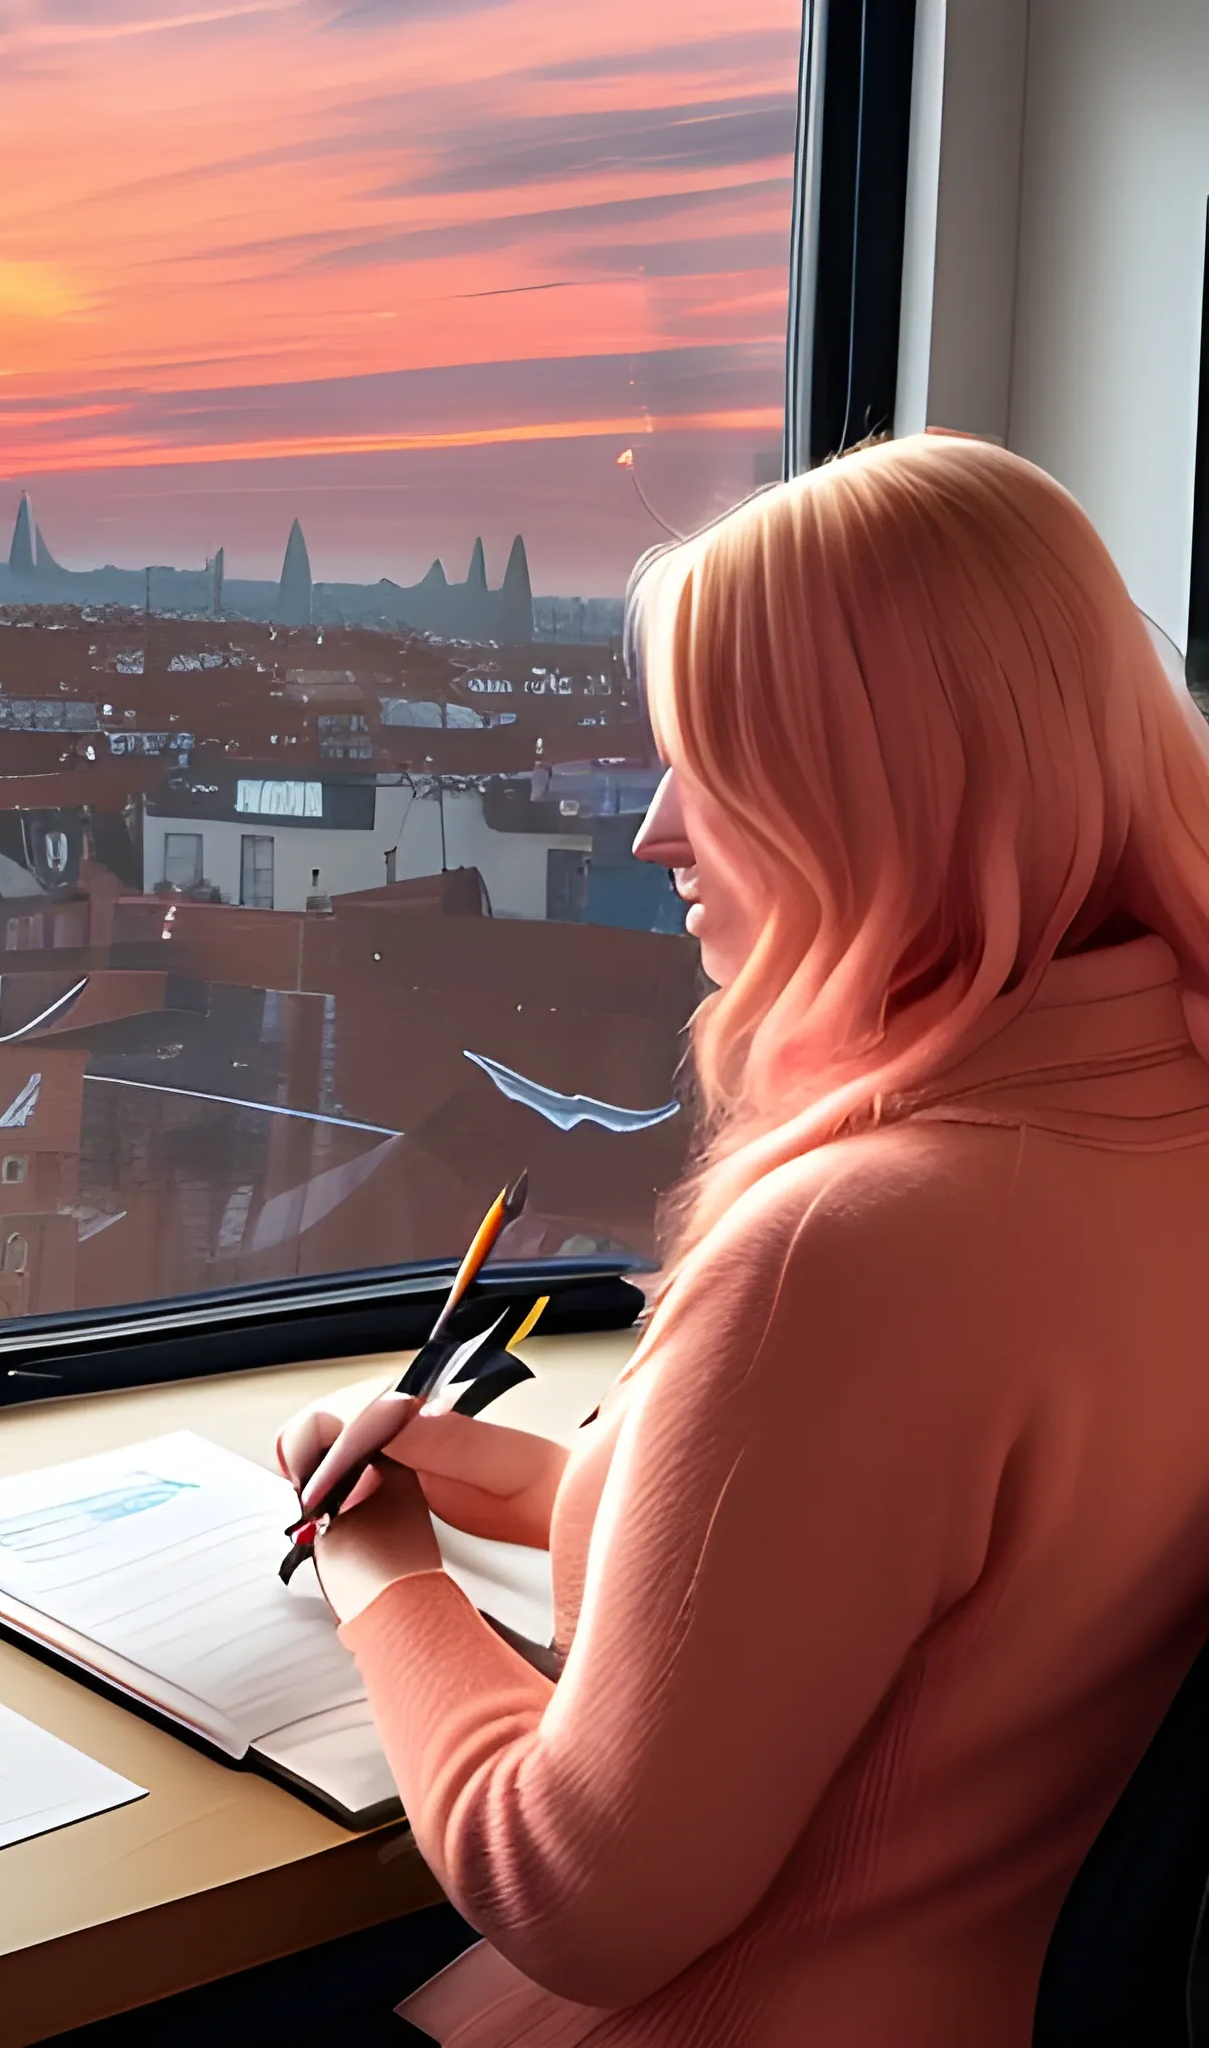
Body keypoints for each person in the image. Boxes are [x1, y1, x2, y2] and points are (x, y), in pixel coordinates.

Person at [278, 432, 1209, 2045]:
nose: (652, 833)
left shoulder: (857, 1245)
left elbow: (576, 1892)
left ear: (882, 797)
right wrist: (493, 1474)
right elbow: (890, 1572)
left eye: (709, 764)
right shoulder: (1158, 1123)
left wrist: (378, 1567)